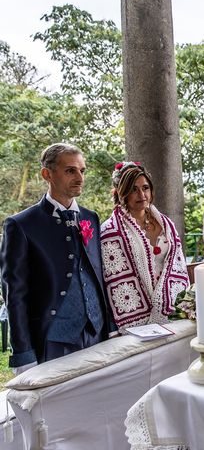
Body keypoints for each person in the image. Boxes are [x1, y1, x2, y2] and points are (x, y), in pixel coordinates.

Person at [0, 143, 114, 371]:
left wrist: (110, 326)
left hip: (96, 333)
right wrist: (23, 352)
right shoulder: (21, 225)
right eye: (70, 170)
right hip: (53, 338)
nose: (79, 177)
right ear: (47, 174)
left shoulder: (90, 218)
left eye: (82, 170)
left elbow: (99, 276)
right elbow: (15, 294)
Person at [100, 163, 189, 328]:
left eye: (145, 188)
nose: (141, 194)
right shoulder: (110, 232)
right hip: (136, 316)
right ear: (122, 192)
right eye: (134, 189)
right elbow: (114, 279)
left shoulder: (166, 224)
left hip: (171, 309)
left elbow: (178, 266)